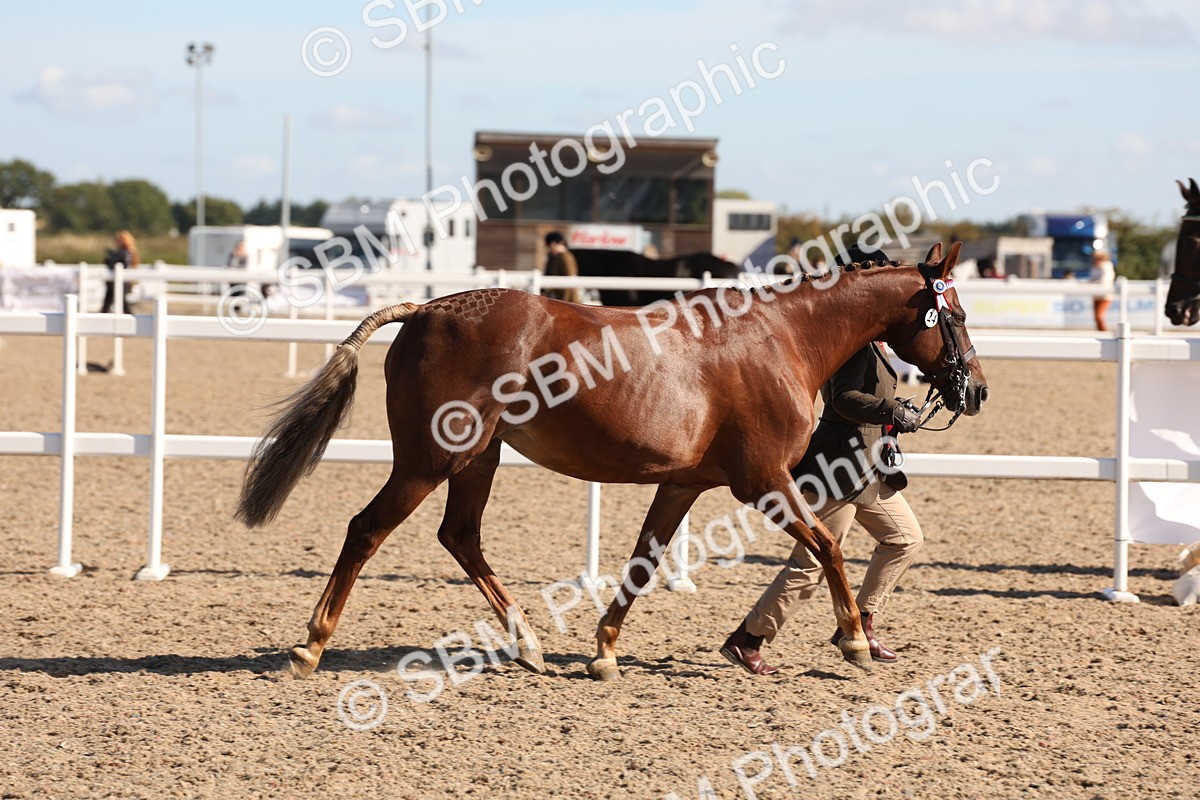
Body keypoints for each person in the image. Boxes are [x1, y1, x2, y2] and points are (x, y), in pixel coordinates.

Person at [720, 246, 925, 676]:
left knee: (905, 539)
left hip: (871, 470)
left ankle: (862, 621)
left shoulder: (872, 337)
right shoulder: (847, 338)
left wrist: (897, 408)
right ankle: (748, 639)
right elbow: (843, 399)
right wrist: (891, 412)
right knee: (811, 564)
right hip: (837, 468)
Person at [100, 230, 139, 313]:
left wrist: (111, 256)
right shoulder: (126, 252)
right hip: (117, 282)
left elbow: (114, 263)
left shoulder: (124, 252)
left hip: (121, 282)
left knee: (121, 304)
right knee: (112, 303)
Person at [542, 231, 582, 304]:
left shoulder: (563, 256)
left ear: (553, 244)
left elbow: (569, 278)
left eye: (549, 246)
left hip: (568, 300)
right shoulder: (559, 256)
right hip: (565, 299)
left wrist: (563, 302)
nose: (549, 249)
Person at [1089, 248, 1115, 332]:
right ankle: (1100, 332)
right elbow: (1091, 279)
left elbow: (1105, 281)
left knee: (1099, 316)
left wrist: (1092, 283)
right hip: (1096, 294)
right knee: (1096, 317)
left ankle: (1104, 332)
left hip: (1105, 295)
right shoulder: (1094, 267)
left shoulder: (1106, 267)